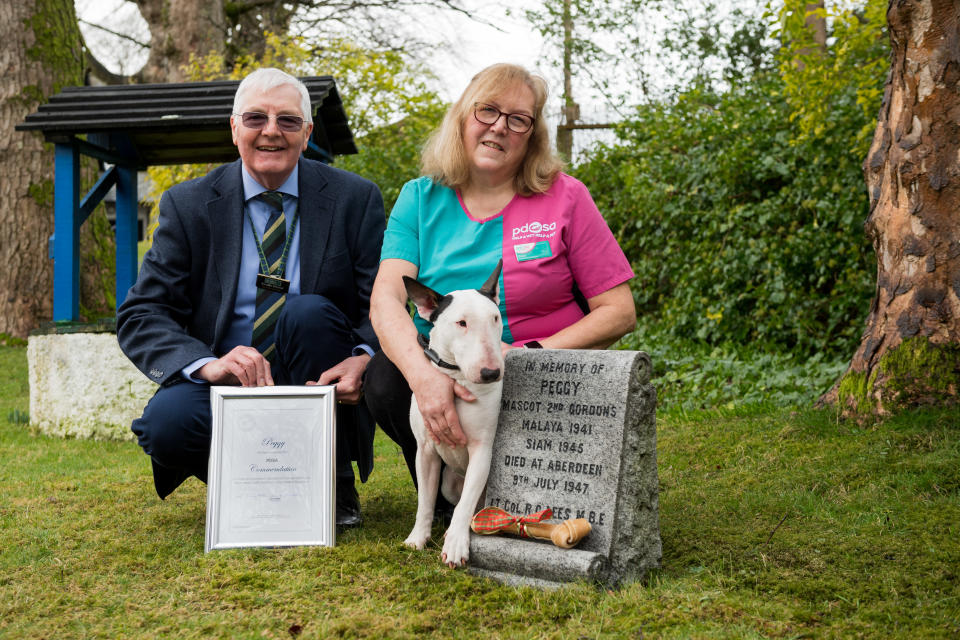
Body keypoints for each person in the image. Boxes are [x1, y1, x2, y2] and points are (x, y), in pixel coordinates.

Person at [117, 68, 384, 529]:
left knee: (307, 311)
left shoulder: (354, 199)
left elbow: (381, 303)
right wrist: (207, 365)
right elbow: (143, 313)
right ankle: (251, 487)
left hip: (319, 379)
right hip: (230, 382)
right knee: (166, 424)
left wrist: (364, 356)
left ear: (308, 133)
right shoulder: (188, 204)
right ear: (235, 126)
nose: (271, 132)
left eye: (288, 121)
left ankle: (334, 485)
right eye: (256, 117)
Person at [364, 63, 636, 504]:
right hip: (452, 372)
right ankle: (448, 498)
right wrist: (423, 378)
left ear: (532, 134)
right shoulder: (419, 197)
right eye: (487, 111)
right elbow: (386, 300)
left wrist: (529, 355)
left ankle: (532, 495)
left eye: (518, 119)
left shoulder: (567, 197)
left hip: (543, 373)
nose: (499, 128)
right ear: (462, 117)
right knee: (384, 379)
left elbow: (619, 311)